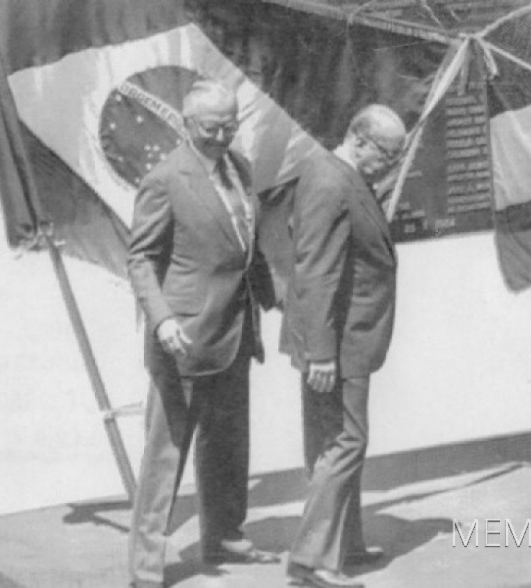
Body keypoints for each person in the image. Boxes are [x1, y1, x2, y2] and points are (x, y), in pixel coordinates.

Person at [126, 80, 278, 588]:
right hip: (183, 338)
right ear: (187, 125)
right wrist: (162, 318)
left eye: (229, 125)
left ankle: (225, 535)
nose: (221, 135)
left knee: (229, 444)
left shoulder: (240, 169)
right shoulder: (165, 179)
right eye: (211, 127)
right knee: (165, 455)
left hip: (234, 330)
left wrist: (272, 297)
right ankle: (147, 566)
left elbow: (244, 246)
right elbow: (141, 257)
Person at [280, 104, 406, 588]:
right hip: (338, 341)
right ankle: (311, 562)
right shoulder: (332, 182)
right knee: (346, 441)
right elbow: (316, 270)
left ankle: (344, 544)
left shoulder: (336, 174)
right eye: (388, 154)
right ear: (358, 139)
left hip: (341, 338)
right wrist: (321, 353)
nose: (392, 165)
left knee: (330, 443)